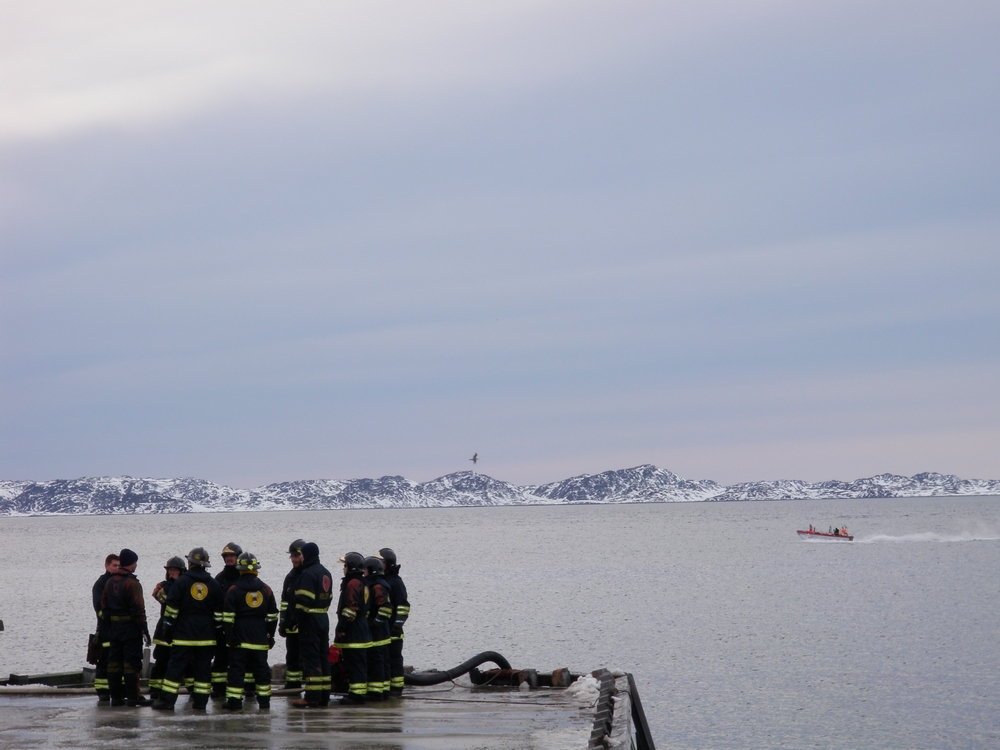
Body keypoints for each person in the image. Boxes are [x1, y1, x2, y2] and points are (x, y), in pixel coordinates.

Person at [152, 547, 224, 711]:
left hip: (183, 636)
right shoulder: (214, 584)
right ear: (205, 564)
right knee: (203, 671)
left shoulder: (181, 583)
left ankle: (167, 702)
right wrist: (219, 634)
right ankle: (200, 704)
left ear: (189, 563)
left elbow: (171, 610)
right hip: (206, 637)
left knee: (175, 669)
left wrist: (167, 631)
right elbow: (219, 614)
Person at [221, 551, 279, 710]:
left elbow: (227, 617)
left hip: (239, 638)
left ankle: (234, 702)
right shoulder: (266, 589)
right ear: (256, 569)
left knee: (236, 671)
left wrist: (230, 636)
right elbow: (273, 616)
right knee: (262, 671)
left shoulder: (233, 590)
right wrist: (270, 635)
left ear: (240, 569)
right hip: (259, 638)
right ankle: (265, 702)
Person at [101, 548, 151, 707]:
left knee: (114, 662)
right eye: (135, 562)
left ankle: (115, 697)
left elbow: (104, 606)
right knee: (132, 663)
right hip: (130, 629)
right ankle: (133, 697)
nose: (136, 565)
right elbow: (139, 609)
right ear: (131, 563)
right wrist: (145, 630)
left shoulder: (109, 582)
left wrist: (110, 625)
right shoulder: (132, 583)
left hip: (115, 630)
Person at [291, 542, 334, 708]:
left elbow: (303, 601)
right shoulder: (326, 573)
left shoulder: (308, 574)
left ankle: (311, 696)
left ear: (307, 555)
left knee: (311, 658)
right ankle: (324, 696)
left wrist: (295, 620)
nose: (300, 557)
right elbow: (328, 598)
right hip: (323, 617)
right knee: (323, 657)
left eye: (301, 554)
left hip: (310, 621)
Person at [332, 551, 371, 705]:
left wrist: (341, 628)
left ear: (351, 567)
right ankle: (357, 693)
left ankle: (357, 695)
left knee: (354, 664)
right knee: (358, 663)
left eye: (345, 566)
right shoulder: (362, 583)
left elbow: (350, 609)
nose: (344, 569)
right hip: (361, 630)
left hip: (354, 632)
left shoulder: (353, 584)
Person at [148, 556, 185, 699]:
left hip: (180, 630)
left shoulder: (186, 585)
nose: (172, 573)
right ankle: (155, 690)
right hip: (163, 630)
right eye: (170, 570)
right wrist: (172, 583)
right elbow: (161, 597)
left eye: (175, 570)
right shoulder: (162, 585)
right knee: (161, 662)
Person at [211, 542, 243, 697]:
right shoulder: (220, 578)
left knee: (240, 659)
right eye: (226, 556)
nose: (229, 559)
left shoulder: (244, 577)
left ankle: (244, 689)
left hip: (241, 626)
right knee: (221, 658)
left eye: (232, 556)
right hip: (222, 626)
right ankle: (218, 689)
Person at [377, 547, 409, 697]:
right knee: (385, 661)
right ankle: (387, 687)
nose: (378, 564)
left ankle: (396, 689)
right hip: (383, 630)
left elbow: (403, 607)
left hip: (394, 631)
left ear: (388, 563)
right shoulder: (382, 580)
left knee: (395, 661)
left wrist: (397, 625)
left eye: (381, 561)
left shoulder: (396, 582)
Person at [364, 556, 393, 701]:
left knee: (377, 663)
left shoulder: (377, 586)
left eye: (365, 569)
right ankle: (384, 691)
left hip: (378, 634)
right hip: (381, 633)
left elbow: (386, 609)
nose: (363, 572)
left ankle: (376, 693)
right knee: (382, 663)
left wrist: (374, 623)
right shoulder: (378, 583)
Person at [91, 553, 119, 703]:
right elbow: (98, 606)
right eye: (114, 565)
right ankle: (102, 691)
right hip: (105, 629)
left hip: (118, 630)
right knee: (104, 661)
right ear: (106, 566)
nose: (116, 568)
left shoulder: (119, 581)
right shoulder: (101, 583)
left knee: (117, 660)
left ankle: (117, 690)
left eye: (118, 566)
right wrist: (110, 618)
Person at [279, 539, 306, 689]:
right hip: (291, 626)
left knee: (307, 656)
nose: (294, 559)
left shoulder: (308, 574)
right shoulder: (290, 577)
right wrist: (282, 621)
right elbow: (284, 602)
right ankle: (293, 683)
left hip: (305, 625)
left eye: (297, 555)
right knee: (292, 656)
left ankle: (310, 684)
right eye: (292, 556)